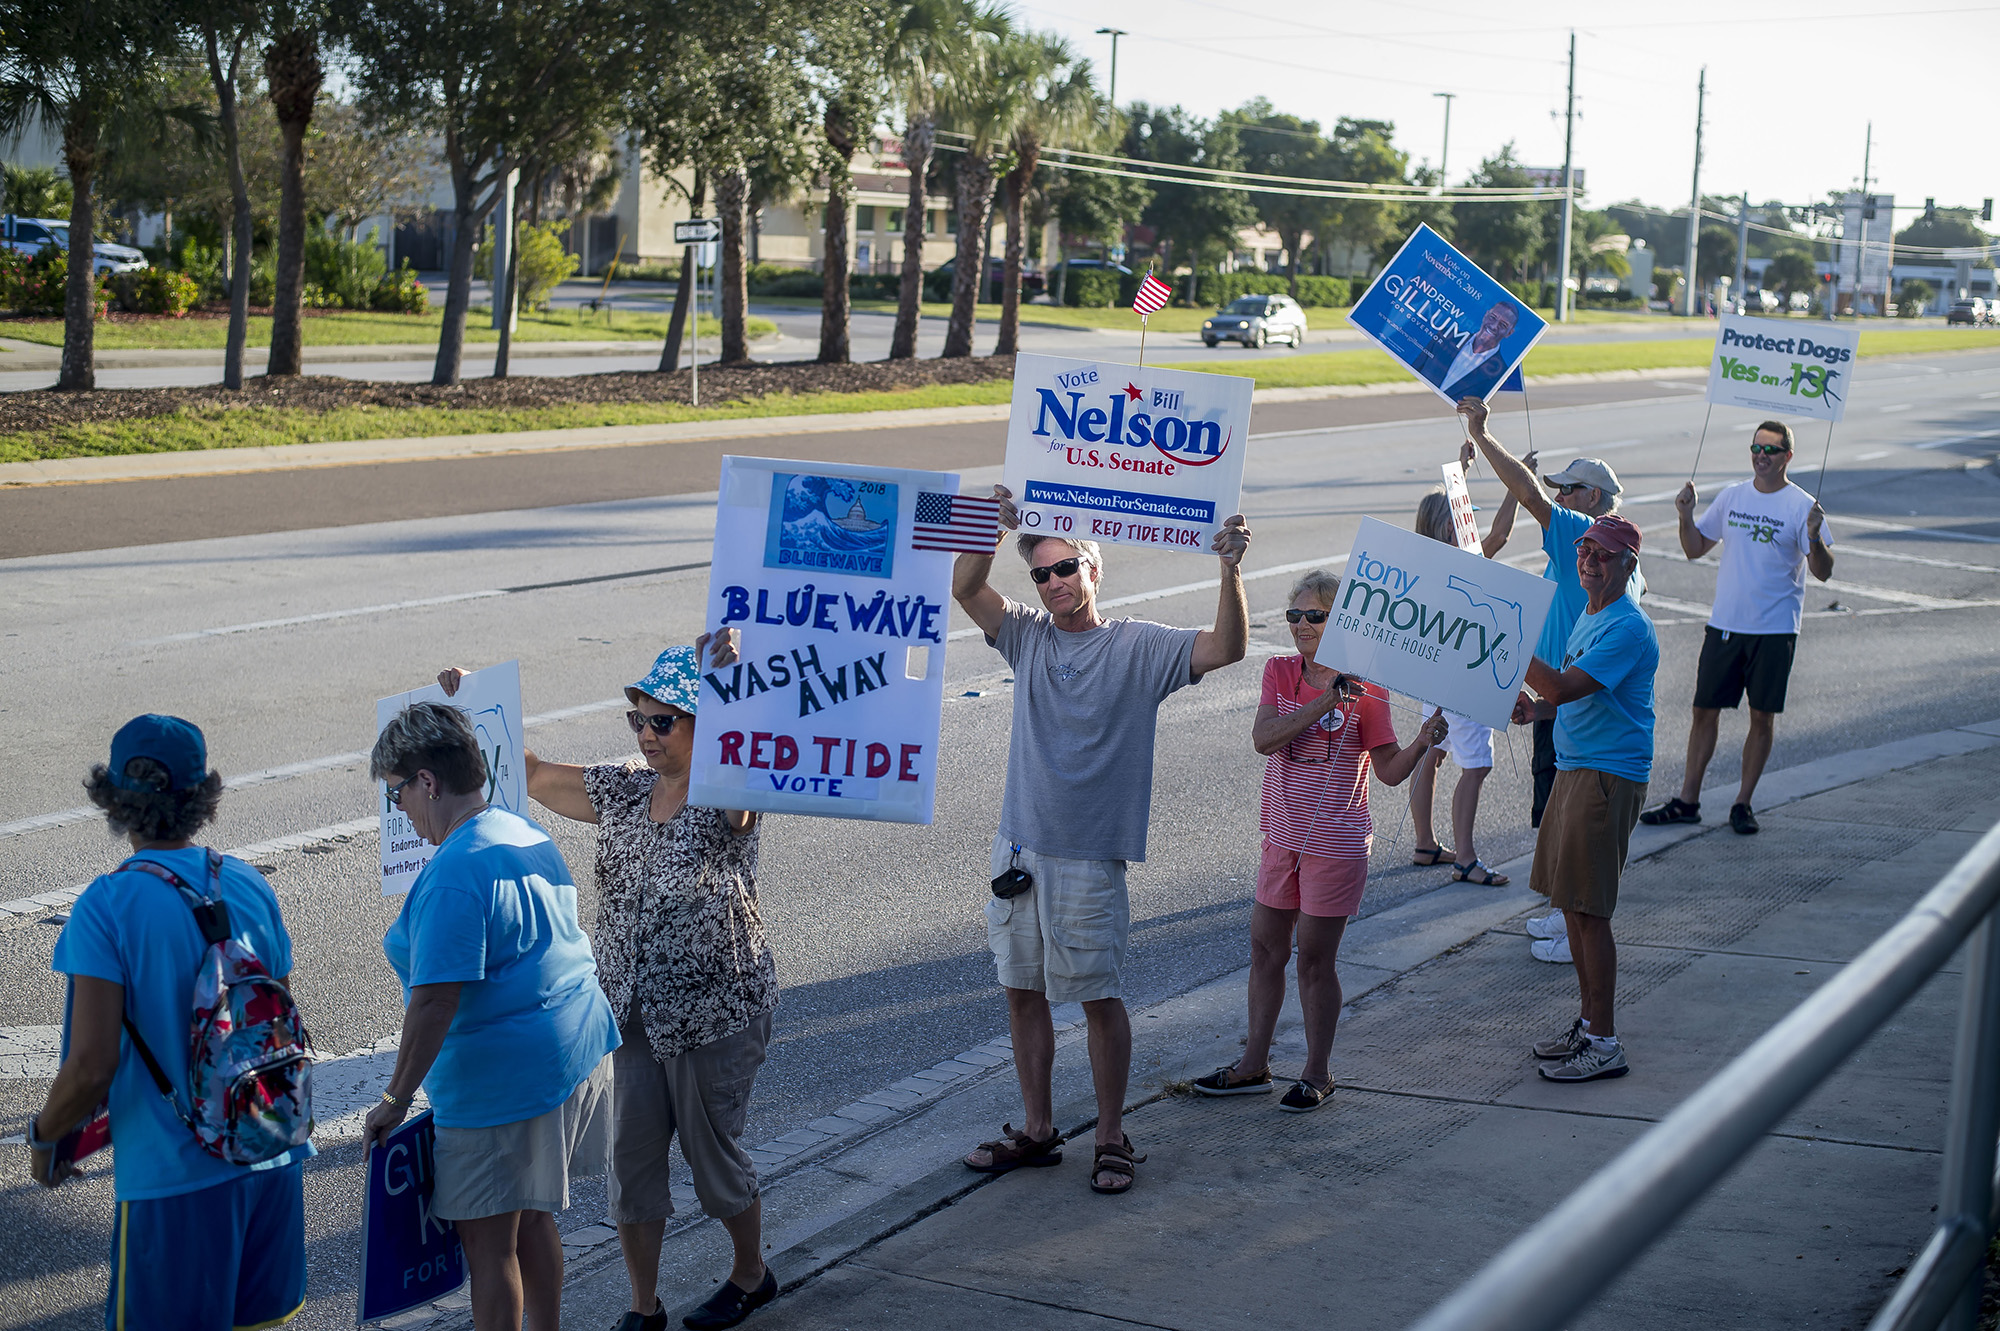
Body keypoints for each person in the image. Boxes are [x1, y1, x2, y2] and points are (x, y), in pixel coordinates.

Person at [441, 637, 779, 1331]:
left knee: (714, 1161)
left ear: (703, 723)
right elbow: (526, 771)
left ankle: (752, 1273)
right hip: (630, 1013)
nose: (647, 734)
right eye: (639, 720)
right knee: (631, 1167)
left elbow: (745, 780)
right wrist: (472, 701)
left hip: (716, 1009)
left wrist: (732, 684)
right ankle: (641, 1305)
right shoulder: (625, 789)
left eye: (664, 721)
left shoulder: (727, 795)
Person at [953, 486, 1251, 1195]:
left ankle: (1112, 1133)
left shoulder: (1139, 646)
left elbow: (1228, 647)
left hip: (1090, 860)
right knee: (1021, 991)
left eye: (1066, 568)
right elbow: (966, 586)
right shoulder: (1024, 634)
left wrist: (1231, 566)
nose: (1054, 582)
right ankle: (1037, 1129)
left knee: (1098, 998)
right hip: (1019, 851)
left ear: (1094, 569)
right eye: (1042, 572)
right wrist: (995, 527)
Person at [30, 714, 314, 1331]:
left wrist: (47, 1137)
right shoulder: (247, 884)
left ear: (113, 799)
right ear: (201, 796)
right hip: (270, 1158)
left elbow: (91, 1065)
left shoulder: (106, 908)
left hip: (175, 1184)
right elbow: (273, 1025)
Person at [364, 701, 620, 1331]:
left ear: (428, 782)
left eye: (397, 792)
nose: (398, 809)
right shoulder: (519, 830)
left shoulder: (455, 872)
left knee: (487, 1245)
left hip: (505, 1083)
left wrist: (395, 1099)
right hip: (573, 1050)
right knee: (531, 1216)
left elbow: (434, 1002)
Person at [1192, 572, 1448, 1111]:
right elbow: (1264, 739)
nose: (1301, 627)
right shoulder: (1280, 672)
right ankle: (1252, 1065)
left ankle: (1317, 1072)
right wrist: (1320, 705)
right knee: (1265, 950)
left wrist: (1424, 741)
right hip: (1282, 835)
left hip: (1336, 842)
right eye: (1294, 616)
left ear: (1343, 622)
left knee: (1313, 960)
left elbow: (1389, 773)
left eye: (1315, 616)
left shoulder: (1368, 688)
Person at [1461, 395, 1643, 960]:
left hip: (1584, 725)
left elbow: (1529, 494)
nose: (1559, 496)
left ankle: (1575, 931)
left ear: (1594, 501)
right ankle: (1566, 918)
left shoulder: (1585, 539)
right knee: (1557, 818)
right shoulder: (1594, 553)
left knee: (1575, 832)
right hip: (1564, 711)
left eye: (1570, 489)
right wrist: (1539, 706)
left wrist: (1483, 435)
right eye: (1561, 489)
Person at [1510, 514, 1658, 1083]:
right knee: (1572, 904)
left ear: (1629, 564)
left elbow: (1566, 685)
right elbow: (1568, 696)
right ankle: (1589, 1021)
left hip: (1606, 775)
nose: (1590, 560)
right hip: (1577, 770)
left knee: (1590, 913)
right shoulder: (1590, 616)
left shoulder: (1628, 626)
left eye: (1604, 553)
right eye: (1585, 551)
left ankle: (1603, 1041)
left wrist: (1513, 645)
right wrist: (1538, 710)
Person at [1642, 420, 1834, 836]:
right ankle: (1687, 800)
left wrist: (1815, 539)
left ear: (1788, 457)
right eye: (1756, 448)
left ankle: (1743, 803)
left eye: (1771, 450)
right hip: (1726, 625)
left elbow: (1823, 573)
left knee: (1761, 717)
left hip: (1775, 629)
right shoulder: (1732, 497)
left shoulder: (1803, 506)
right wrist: (1685, 515)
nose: (1761, 457)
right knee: (1703, 711)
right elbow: (1694, 549)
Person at [1406, 442, 1528, 885]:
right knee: (1475, 765)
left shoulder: (1421, 561)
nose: (1469, 524)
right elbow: (1499, 536)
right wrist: (1519, 486)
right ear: (1448, 527)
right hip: (1463, 675)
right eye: (1462, 519)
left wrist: (1461, 467)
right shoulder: (1463, 561)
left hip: (1429, 671)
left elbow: (1458, 517)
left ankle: (1425, 843)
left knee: (1430, 752)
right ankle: (1467, 859)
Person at [1413, 302, 1519, 400]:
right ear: (1485, 315)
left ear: (1509, 333)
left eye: (1503, 325)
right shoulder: (1446, 335)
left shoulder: (1500, 373)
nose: (1494, 326)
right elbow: (1416, 368)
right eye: (1492, 317)